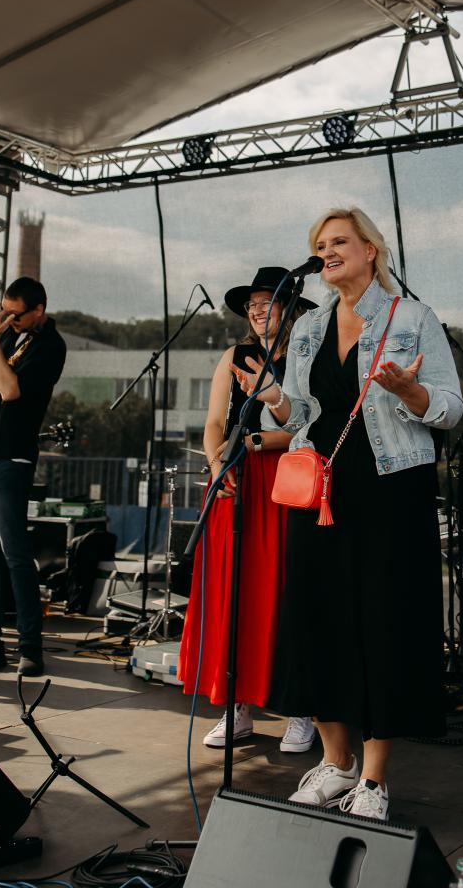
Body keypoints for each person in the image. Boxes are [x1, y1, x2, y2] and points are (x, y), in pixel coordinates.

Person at [235, 208, 463, 820]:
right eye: (319, 245)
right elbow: (302, 414)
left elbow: (451, 406)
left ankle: (373, 778)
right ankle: (335, 763)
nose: (326, 251)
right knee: (317, 621)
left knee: (383, 625)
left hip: (391, 488)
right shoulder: (309, 326)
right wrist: (276, 398)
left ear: (370, 249)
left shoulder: (412, 318)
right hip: (321, 491)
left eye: (338, 241)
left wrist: (412, 392)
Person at [178, 266, 316, 753]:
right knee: (233, 593)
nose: (257, 311)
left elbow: (310, 424)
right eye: (251, 305)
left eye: (267, 301)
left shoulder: (308, 352)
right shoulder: (234, 356)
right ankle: (236, 706)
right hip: (236, 481)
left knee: (283, 592)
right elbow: (214, 423)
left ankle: (300, 708)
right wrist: (217, 465)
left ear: (291, 307)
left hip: (287, 477)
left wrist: (259, 442)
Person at [0, 277, 66, 677]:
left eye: (16, 315)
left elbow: (10, 390)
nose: (8, 320)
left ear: (38, 310)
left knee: (15, 552)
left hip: (11, 455)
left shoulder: (50, 346)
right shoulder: (7, 336)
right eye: (5, 312)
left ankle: (30, 646)